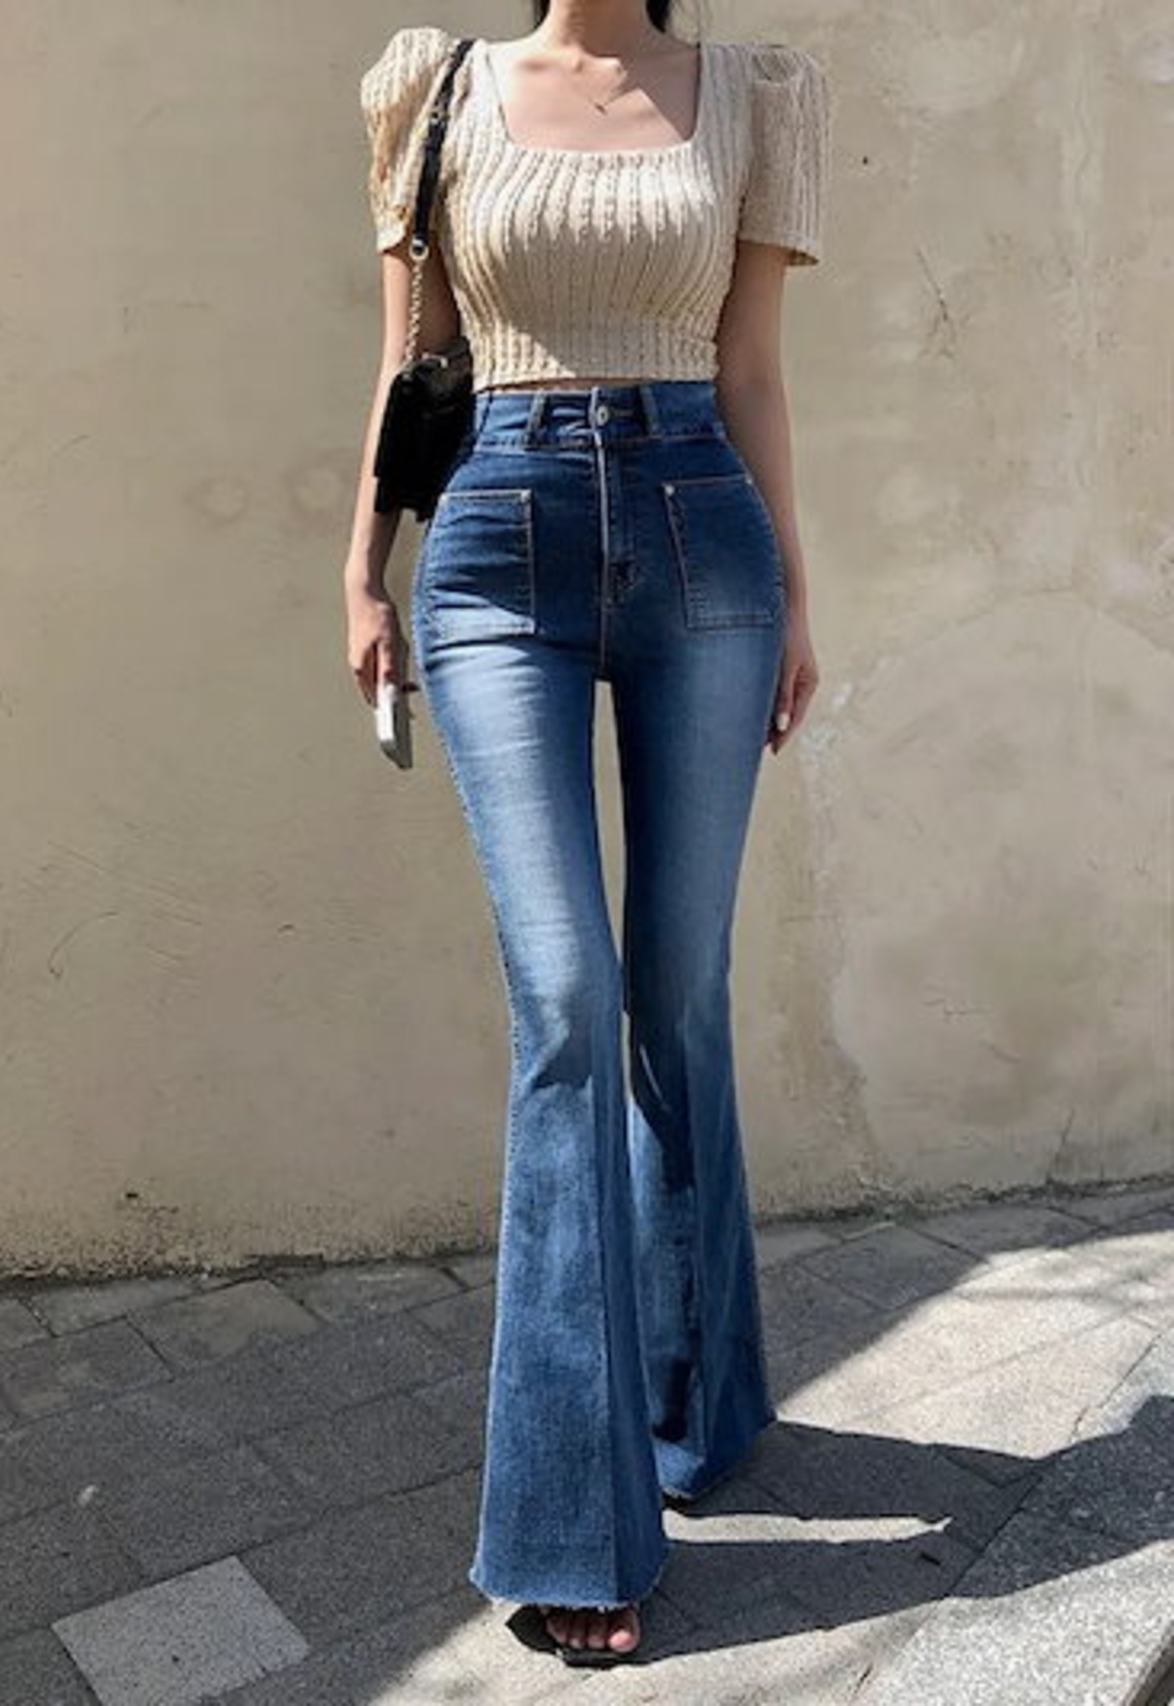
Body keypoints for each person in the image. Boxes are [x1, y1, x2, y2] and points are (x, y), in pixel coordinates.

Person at [346, 0, 831, 1666]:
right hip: (496, 538)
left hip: (704, 533)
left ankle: (698, 1402)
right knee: (566, 1000)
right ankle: (574, 1520)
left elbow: (753, 370)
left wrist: (797, 598)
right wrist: (362, 570)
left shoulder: (751, 93)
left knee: (675, 994)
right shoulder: (440, 87)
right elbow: (407, 354)